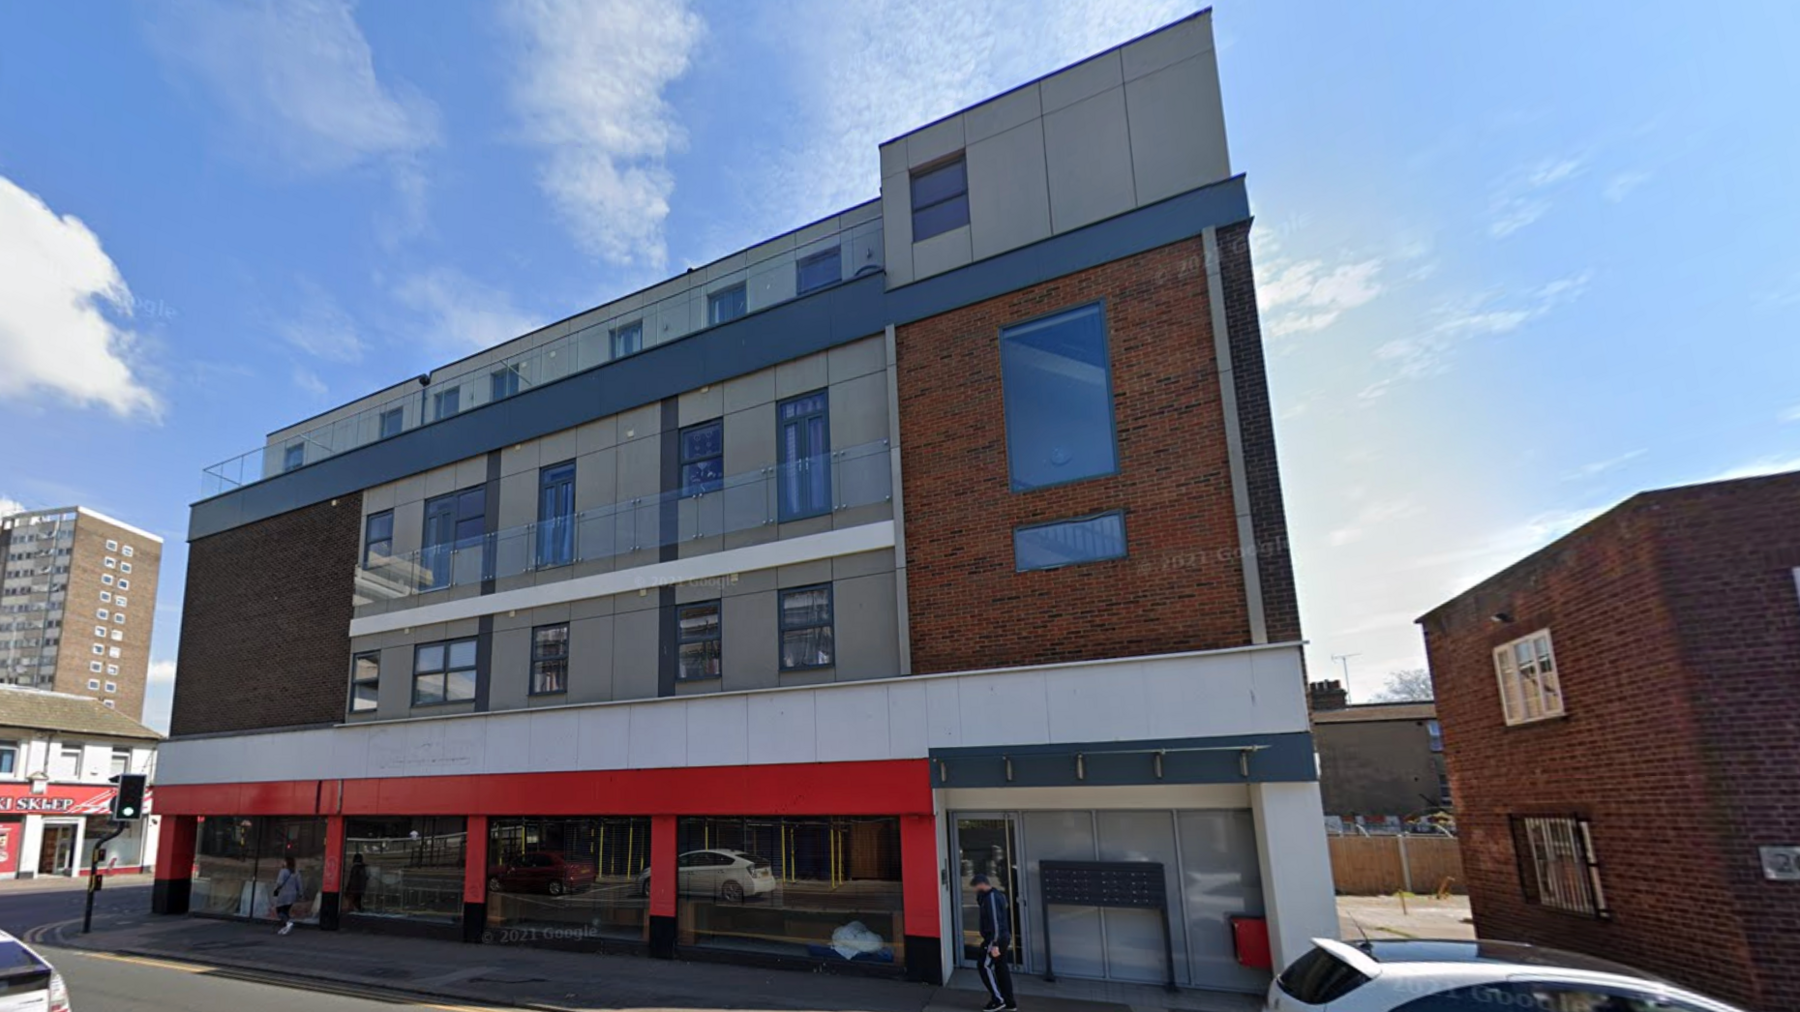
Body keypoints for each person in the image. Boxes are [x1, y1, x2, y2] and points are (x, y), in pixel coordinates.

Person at [971, 874, 1017, 1012]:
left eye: (976, 887)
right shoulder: (998, 895)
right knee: (1001, 968)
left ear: (981, 884)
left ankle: (998, 999)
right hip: (1003, 937)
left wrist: (994, 943)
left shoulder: (990, 898)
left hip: (995, 939)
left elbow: (995, 923)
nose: (974, 890)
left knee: (984, 966)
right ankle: (1010, 1002)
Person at [272, 855, 303, 936]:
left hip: (283, 894)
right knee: (285, 911)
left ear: (287, 862)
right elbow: (299, 884)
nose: (283, 862)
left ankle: (288, 923)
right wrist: (300, 893)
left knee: (279, 911)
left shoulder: (283, 871)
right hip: (292, 895)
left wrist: (275, 893)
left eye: (284, 861)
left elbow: (279, 883)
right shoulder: (296, 872)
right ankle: (285, 928)